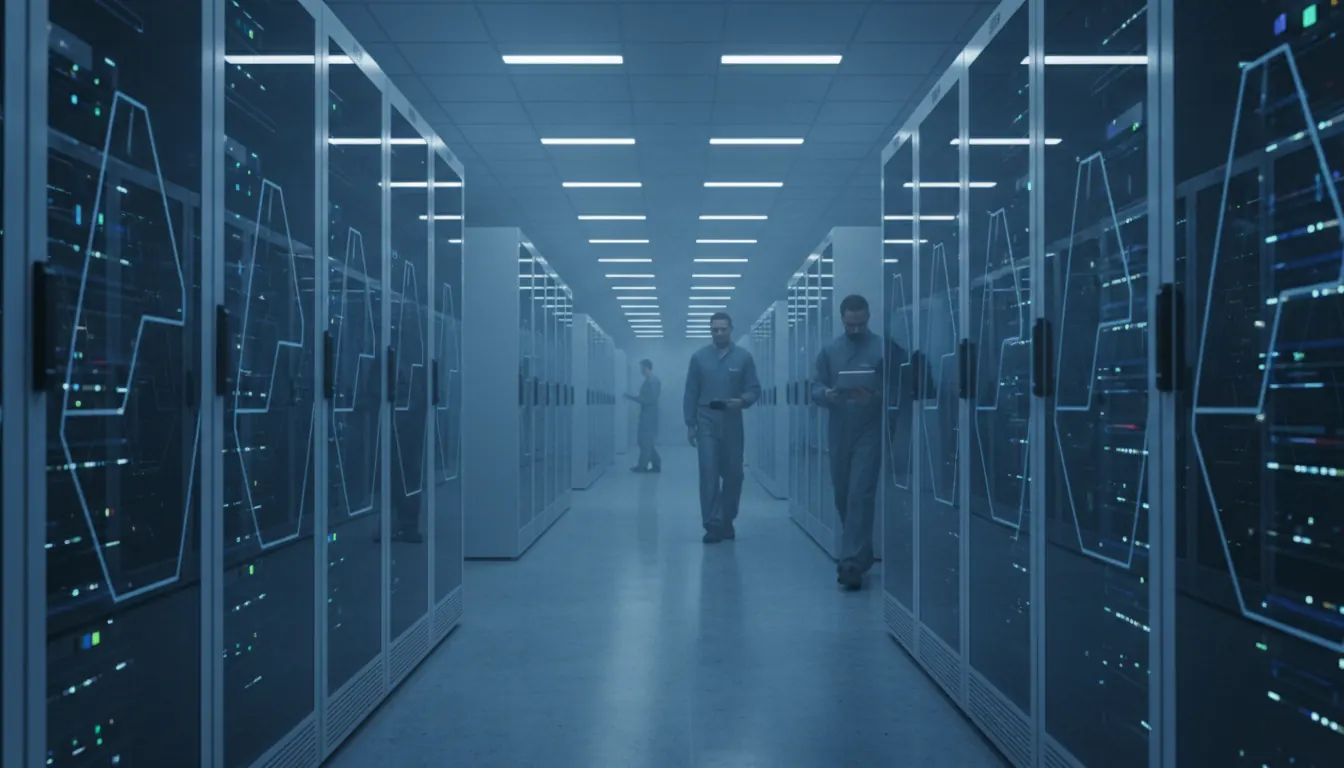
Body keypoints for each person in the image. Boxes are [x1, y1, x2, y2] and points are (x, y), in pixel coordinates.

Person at [812, 294, 884, 590]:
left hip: (869, 428)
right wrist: (826, 394)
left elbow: (900, 387)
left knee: (860, 493)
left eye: (862, 323)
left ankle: (851, 562)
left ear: (868, 318)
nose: (856, 329)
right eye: (851, 324)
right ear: (842, 320)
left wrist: (875, 397)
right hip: (840, 427)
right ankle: (860, 553)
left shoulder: (882, 348)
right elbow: (815, 386)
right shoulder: (830, 351)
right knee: (843, 493)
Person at [684, 312, 761, 543]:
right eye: (714, 330)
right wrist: (690, 424)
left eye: (723, 329)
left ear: (731, 329)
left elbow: (754, 389)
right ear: (711, 331)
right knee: (708, 472)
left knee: (734, 474)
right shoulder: (699, 358)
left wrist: (742, 401)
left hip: (732, 420)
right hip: (706, 417)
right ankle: (712, 524)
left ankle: (727, 519)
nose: (719, 333)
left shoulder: (743, 358)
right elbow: (691, 392)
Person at [625, 359, 662, 472]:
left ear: (646, 367)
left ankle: (643, 465)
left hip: (649, 416)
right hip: (646, 414)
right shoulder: (648, 381)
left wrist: (633, 397)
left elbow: (650, 399)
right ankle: (655, 463)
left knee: (645, 441)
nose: (641, 370)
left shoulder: (654, 381)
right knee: (644, 441)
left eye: (642, 368)